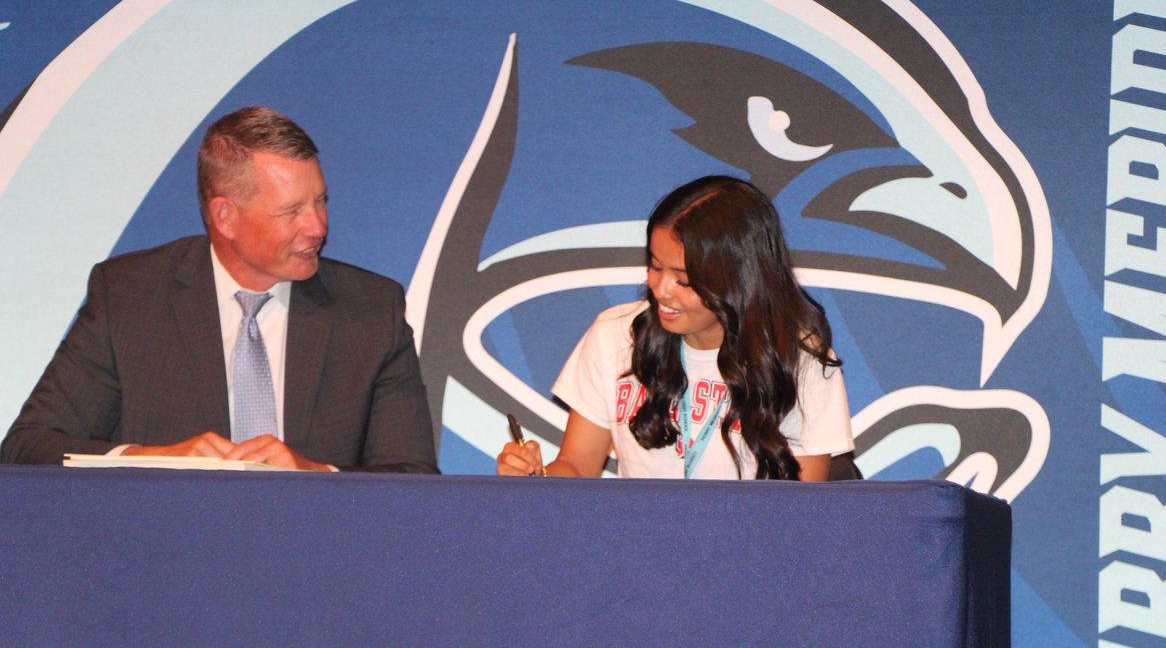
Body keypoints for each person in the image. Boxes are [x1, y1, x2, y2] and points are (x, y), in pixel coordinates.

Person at [2, 106, 438, 473]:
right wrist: (153, 460)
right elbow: (27, 449)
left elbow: (412, 478)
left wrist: (316, 476)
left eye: (321, 200)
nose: (318, 227)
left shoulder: (371, 310)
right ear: (225, 216)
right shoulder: (129, 297)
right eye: (292, 211)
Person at [497, 175, 853, 480]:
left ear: (738, 280)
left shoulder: (801, 359)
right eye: (654, 266)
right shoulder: (615, 335)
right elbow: (576, 468)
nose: (661, 290)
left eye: (683, 280)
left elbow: (804, 511)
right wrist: (535, 478)